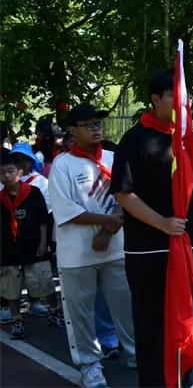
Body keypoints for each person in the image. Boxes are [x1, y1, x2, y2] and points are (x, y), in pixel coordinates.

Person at [111, 69, 193, 387]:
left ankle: (183, 379)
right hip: (151, 250)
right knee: (152, 324)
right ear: (156, 98)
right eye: (175, 94)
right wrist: (162, 223)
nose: (182, 100)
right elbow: (123, 192)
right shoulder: (134, 140)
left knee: (190, 318)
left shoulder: (192, 137)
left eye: (184, 93)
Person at [49, 104, 136, 388]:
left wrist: (108, 231)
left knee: (125, 303)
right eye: (88, 124)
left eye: (98, 123)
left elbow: (130, 199)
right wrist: (107, 222)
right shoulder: (62, 165)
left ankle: (136, 352)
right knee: (81, 312)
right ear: (72, 131)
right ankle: (90, 363)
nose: (96, 128)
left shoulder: (114, 158)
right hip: (77, 254)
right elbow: (67, 210)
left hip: (116, 248)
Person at [0, 149, 63, 340]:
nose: (6, 175)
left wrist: (43, 243)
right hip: (8, 250)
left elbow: (43, 220)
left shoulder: (33, 192)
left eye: (10, 171)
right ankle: (17, 319)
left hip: (34, 246)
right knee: (10, 287)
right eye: (2, 173)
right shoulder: (0, 198)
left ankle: (54, 310)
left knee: (43, 282)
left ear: (19, 172)